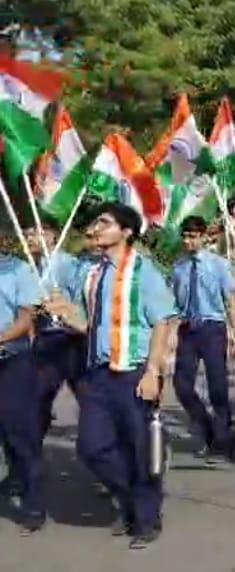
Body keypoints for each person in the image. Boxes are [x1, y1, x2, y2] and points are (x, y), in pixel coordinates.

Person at [44, 202, 177, 548]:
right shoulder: (93, 272)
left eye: (104, 222)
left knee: (138, 447)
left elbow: (163, 320)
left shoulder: (143, 271)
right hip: (98, 374)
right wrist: (65, 312)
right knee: (93, 447)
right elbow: (88, 324)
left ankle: (146, 518)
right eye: (96, 222)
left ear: (126, 231)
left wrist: (153, 372)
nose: (96, 228)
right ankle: (132, 497)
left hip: (133, 373)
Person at [171, 216, 235, 460]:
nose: (188, 241)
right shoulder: (179, 266)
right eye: (185, 236)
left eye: (193, 236)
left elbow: (230, 299)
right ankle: (205, 423)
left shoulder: (218, 264)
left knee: (217, 385)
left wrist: (234, 333)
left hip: (213, 327)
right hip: (188, 329)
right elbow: (174, 302)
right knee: (181, 384)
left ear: (203, 236)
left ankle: (223, 434)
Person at [27, 218, 88, 437]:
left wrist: (64, 306)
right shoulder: (30, 266)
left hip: (71, 339)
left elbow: (83, 301)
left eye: (35, 232)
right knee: (37, 398)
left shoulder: (69, 264)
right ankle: (28, 462)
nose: (29, 237)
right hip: (45, 340)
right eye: (27, 233)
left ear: (52, 235)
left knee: (87, 396)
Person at [0, 248, 45, 534]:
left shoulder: (17, 270)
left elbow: (26, 318)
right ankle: (14, 476)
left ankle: (33, 504)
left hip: (12, 360)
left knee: (20, 434)